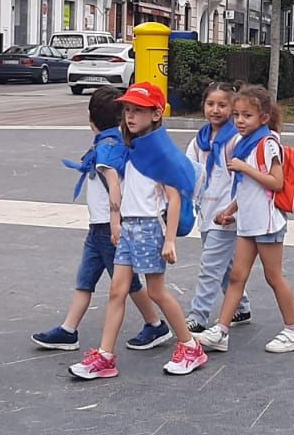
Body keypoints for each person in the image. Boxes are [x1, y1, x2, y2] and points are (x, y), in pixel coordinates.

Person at [69, 82, 208, 380]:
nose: (130, 117)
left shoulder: (160, 153)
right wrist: (117, 222)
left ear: (156, 114)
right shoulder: (131, 146)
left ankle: (190, 346)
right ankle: (106, 356)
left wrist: (169, 239)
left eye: (138, 111)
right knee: (117, 290)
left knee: (156, 291)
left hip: (148, 229)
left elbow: (172, 198)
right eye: (127, 110)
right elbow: (122, 188)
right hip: (130, 228)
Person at [32, 86, 174, 351]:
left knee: (125, 286)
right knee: (86, 280)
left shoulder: (107, 148)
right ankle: (68, 329)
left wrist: (115, 221)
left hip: (110, 228)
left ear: (91, 118)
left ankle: (155, 325)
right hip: (98, 227)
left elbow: (115, 186)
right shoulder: (115, 143)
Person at [197, 85, 294, 354]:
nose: (239, 121)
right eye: (236, 115)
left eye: (246, 115)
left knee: (273, 277)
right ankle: (221, 330)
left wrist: (245, 167)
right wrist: (231, 210)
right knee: (237, 276)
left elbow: (276, 182)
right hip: (247, 221)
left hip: (266, 223)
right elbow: (248, 187)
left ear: (264, 117)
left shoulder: (268, 143)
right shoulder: (244, 144)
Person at [183, 82, 252, 332]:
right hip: (206, 211)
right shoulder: (199, 140)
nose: (215, 110)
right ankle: (241, 307)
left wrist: (234, 210)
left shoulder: (236, 139)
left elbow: (243, 178)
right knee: (225, 266)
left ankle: (198, 316)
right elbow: (189, 172)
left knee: (210, 266)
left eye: (222, 105)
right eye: (210, 104)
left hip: (226, 214)